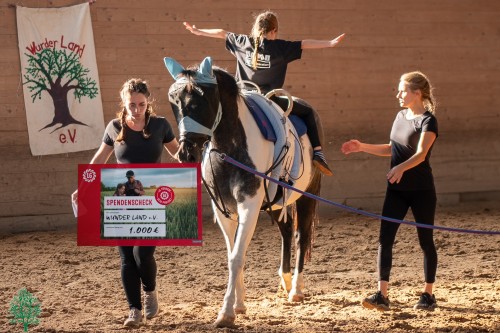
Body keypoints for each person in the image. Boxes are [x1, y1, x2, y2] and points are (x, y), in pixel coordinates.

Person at [183, 11, 345, 176]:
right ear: (274, 30)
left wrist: (199, 31)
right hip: (269, 99)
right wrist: (330, 43)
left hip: (241, 98)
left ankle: (204, 154)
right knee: (308, 112)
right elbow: (304, 43)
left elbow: (222, 33)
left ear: (256, 28)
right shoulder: (280, 48)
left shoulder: (243, 42)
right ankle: (318, 153)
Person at [72, 78, 179, 327]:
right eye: (132, 104)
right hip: (121, 204)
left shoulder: (161, 125)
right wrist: (83, 186)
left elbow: (178, 153)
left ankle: (150, 291)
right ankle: (134, 310)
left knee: (142, 253)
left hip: (151, 202)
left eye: (141, 104)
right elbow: (99, 158)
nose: (137, 109)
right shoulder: (114, 127)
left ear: (147, 102)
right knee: (126, 258)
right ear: (124, 102)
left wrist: (196, 163)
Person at [341, 71, 439, 311]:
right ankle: (382, 294)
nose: (398, 94)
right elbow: (391, 149)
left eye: (402, 90)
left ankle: (428, 294)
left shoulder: (428, 121)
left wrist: (400, 168)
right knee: (385, 240)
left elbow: (420, 154)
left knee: (425, 241)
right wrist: (361, 147)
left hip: (421, 190)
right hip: (396, 188)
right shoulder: (399, 115)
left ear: (417, 93)